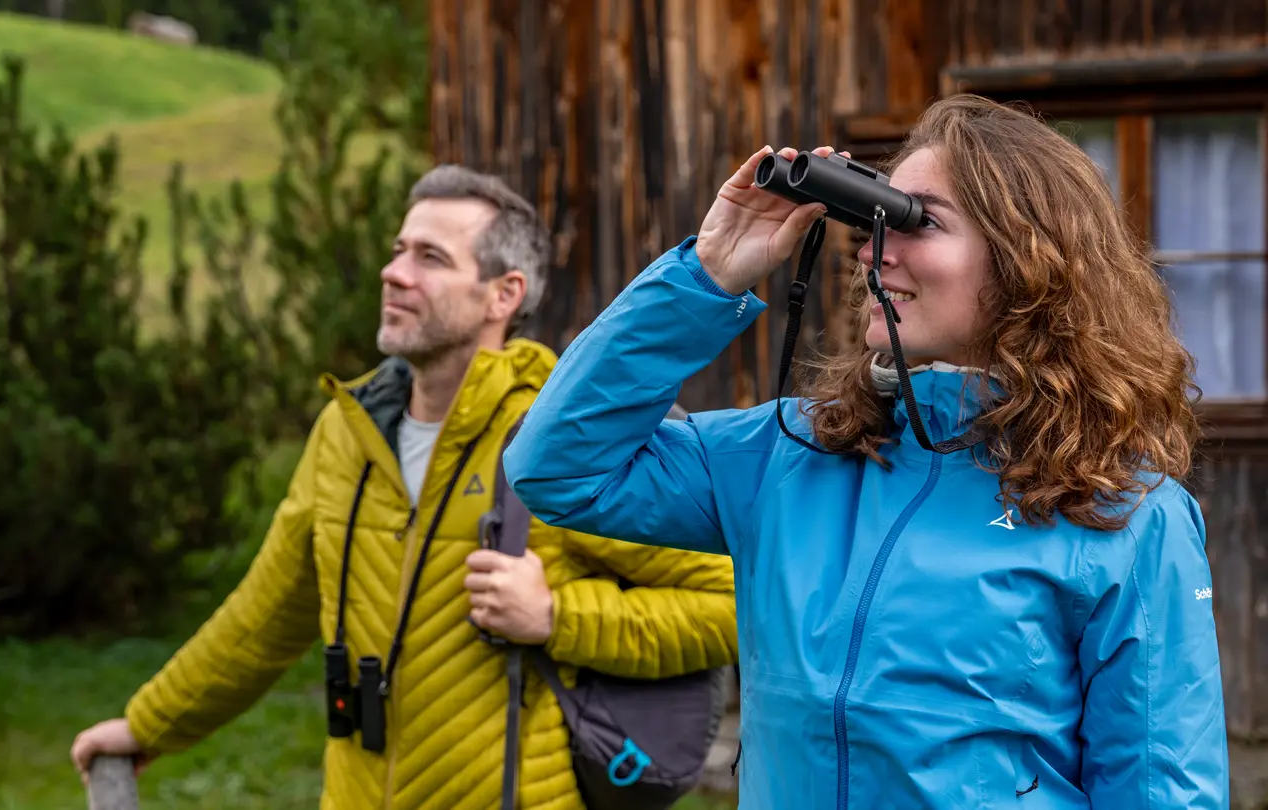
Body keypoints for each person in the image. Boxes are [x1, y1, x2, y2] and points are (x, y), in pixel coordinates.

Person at [503, 94, 1229, 809]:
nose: (877, 249)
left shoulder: (1124, 512)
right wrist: (708, 272)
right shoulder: (787, 453)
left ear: (1028, 261)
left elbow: (1163, 790)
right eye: (874, 218)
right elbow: (560, 466)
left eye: (919, 222)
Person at [68, 164, 738, 810]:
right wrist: (151, 723)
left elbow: (732, 606)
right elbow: (265, 616)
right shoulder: (344, 434)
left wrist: (559, 618)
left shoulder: (556, 442)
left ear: (502, 295)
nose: (394, 272)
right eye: (397, 251)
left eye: (430, 257)